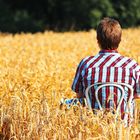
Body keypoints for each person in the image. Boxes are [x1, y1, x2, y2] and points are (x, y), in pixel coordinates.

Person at [62, 17, 140, 120]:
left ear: (98, 40)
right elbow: (137, 95)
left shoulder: (86, 64)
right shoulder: (132, 65)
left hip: (93, 128)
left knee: (65, 103)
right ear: (120, 40)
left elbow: (79, 95)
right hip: (124, 127)